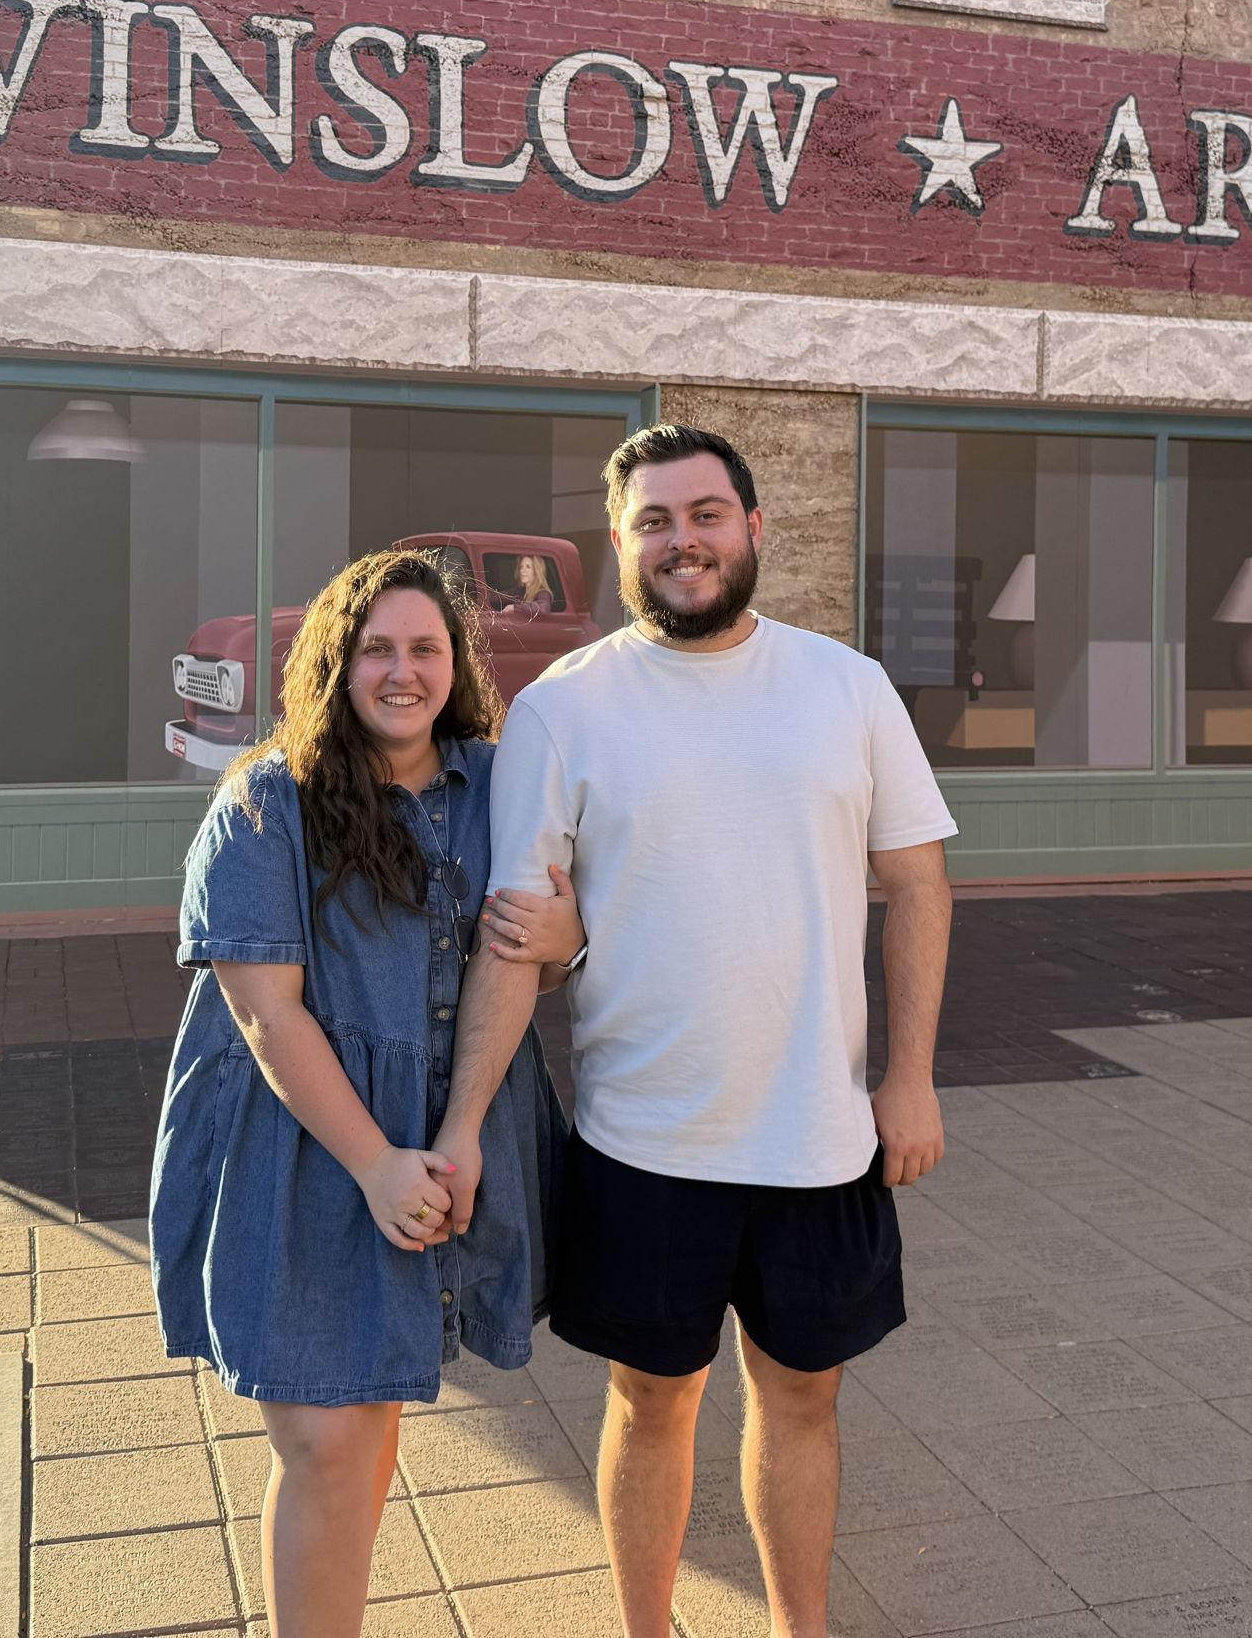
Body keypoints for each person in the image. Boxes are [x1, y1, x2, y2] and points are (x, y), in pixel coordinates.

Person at [447, 424, 956, 1638]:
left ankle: (800, 1627)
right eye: (655, 521)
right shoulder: (564, 707)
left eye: (706, 513)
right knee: (651, 1400)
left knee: (803, 1399)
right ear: (618, 544)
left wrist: (912, 1078)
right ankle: (645, 1628)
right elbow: (524, 937)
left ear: (753, 527)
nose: (684, 540)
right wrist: (463, 1122)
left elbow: (920, 885)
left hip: (819, 1133)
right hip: (642, 1139)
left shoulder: (848, 685)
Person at [150, 548, 575, 1638]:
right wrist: (377, 1161)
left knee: (370, 1417)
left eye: (424, 647)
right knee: (328, 1440)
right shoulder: (265, 800)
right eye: (375, 647)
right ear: (334, 662)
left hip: (448, 1131)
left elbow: (519, 949)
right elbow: (266, 1013)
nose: (401, 670)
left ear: (455, 662)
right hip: (306, 1143)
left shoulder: (496, 784)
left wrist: (566, 943)